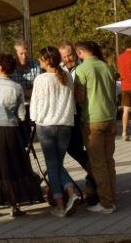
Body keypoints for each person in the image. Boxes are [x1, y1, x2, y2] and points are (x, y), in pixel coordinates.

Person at [0, 53, 42, 219]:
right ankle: (14, 206)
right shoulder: (16, 88)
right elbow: (21, 114)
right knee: (11, 165)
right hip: (8, 130)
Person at [30, 46, 81, 218]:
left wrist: (34, 120)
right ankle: (70, 192)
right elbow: (72, 100)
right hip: (65, 124)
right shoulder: (67, 76)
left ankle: (61, 204)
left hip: (46, 125)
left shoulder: (41, 79)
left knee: (52, 165)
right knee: (57, 163)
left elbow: (35, 104)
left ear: (46, 60)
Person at [74, 41, 118, 214]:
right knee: (109, 161)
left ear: (80, 52)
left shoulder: (82, 69)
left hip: (93, 119)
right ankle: (112, 198)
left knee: (98, 163)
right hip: (110, 117)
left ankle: (106, 203)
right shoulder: (107, 67)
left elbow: (79, 97)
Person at [58, 41, 99, 205]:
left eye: (70, 55)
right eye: (65, 56)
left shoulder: (83, 68)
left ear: (76, 53)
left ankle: (93, 180)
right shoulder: (60, 69)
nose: (68, 59)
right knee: (73, 148)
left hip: (84, 114)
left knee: (84, 147)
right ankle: (92, 173)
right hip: (69, 116)